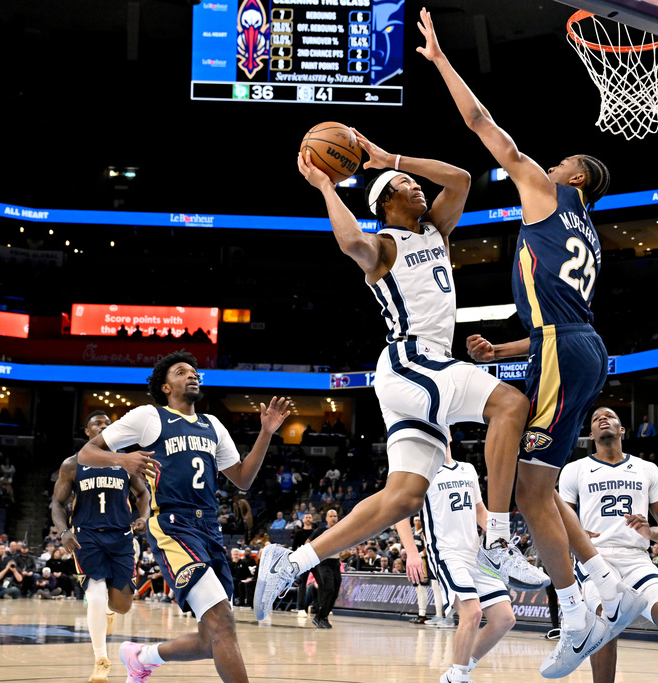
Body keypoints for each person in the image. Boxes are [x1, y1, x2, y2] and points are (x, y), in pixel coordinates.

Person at [415, 10, 634, 678]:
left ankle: (502, 539)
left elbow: (485, 126)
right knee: (542, 488)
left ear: (574, 178)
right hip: (573, 347)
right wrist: (501, 350)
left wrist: (441, 62)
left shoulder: (545, 188)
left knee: (500, 416)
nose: (553, 158)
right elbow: (555, 320)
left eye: (565, 159)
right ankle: (589, 599)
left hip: (566, 349)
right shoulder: (588, 231)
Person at [258, 130, 550, 620]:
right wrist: (326, 186)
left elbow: (458, 178)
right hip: (410, 362)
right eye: (407, 183)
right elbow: (350, 240)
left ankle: (290, 563)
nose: (419, 187)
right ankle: (498, 537)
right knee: (511, 404)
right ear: (386, 199)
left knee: (404, 496)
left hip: (419, 373)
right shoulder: (383, 246)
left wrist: (389, 157)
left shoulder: (435, 229)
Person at [77, 351, 289, 683]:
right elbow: (86, 452)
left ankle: (142, 657)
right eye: (181, 372)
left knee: (211, 639)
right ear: (165, 386)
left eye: (194, 372)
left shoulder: (212, 425)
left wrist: (267, 432)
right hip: (173, 527)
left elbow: (243, 478)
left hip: (209, 529)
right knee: (224, 626)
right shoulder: (148, 416)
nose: (192, 375)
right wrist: (123, 460)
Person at [559, 407, 658, 683]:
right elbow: (558, 522)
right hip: (595, 558)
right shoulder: (575, 469)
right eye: (596, 418)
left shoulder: (647, 469)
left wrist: (652, 531)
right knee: (604, 625)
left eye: (609, 416)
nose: (602, 419)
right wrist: (574, 533)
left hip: (637, 558)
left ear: (621, 430)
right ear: (591, 435)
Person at [396, 443, 517, 683]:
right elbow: (401, 514)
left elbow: (480, 511)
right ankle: (460, 677)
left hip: (475, 553)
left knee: (505, 619)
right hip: (446, 553)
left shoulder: (468, 469)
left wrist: (501, 540)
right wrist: (411, 552)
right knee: (472, 613)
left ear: (449, 434)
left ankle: (457, 672)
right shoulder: (422, 473)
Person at [51, 410, 152, 683]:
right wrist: (63, 532)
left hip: (121, 536)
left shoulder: (124, 461)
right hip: (87, 536)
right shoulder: (73, 464)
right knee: (95, 595)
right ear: (87, 432)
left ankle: (109, 610)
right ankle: (101, 659)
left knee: (122, 606)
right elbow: (57, 504)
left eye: (108, 424)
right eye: (98, 423)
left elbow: (143, 493)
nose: (104, 426)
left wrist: (143, 517)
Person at [401, 515, 448, 627]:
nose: (417, 522)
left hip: (425, 563)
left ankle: (434, 614)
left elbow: (427, 549)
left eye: (418, 520)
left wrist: (417, 555)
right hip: (415, 562)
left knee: (428, 588)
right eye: (415, 521)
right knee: (418, 588)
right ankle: (421, 613)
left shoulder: (424, 532)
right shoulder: (413, 533)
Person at [308, 509, 343, 629]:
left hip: (336, 562)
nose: (333, 518)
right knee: (329, 587)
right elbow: (308, 542)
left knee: (336, 590)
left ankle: (323, 616)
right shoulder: (320, 531)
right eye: (331, 516)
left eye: (335, 516)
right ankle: (319, 616)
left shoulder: (340, 531)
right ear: (326, 518)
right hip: (324, 562)